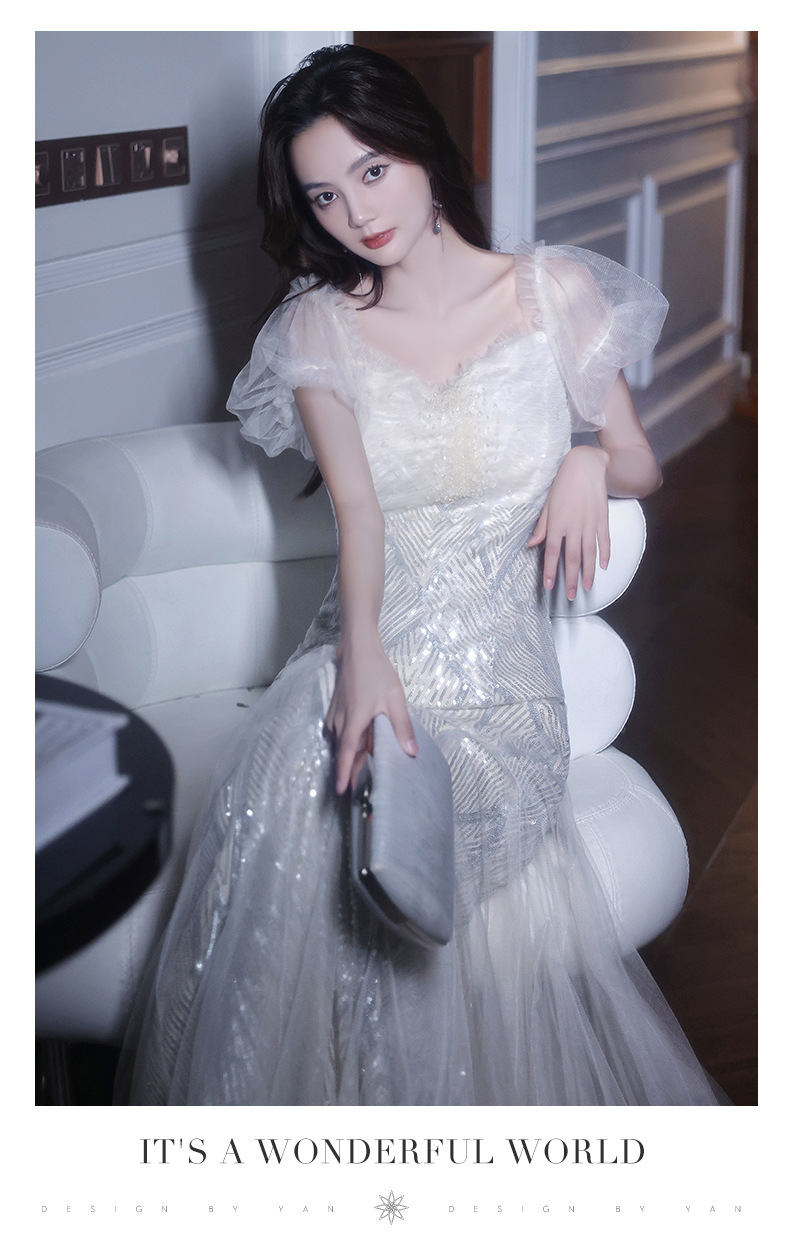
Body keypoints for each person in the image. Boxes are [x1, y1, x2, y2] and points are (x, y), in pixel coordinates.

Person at [117, 44, 724, 1105]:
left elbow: (638, 459)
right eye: (323, 194)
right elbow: (358, 515)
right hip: (369, 645)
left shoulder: (553, 291)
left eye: (372, 170)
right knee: (310, 767)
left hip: (501, 696)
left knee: (398, 854)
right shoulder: (317, 327)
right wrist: (360, 661)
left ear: (423, 153)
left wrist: (587, 458)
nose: (356, 213)